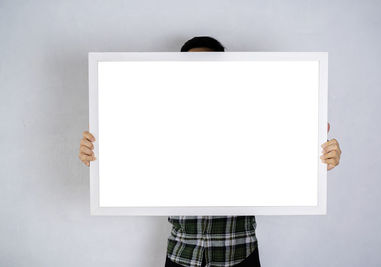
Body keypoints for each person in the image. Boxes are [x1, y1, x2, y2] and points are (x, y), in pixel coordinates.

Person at [78, 36, 342, 267]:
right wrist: (100, 158)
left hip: (239, 252)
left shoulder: (255, 115)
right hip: (182, 253)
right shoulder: (158, 118)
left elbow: (285, 161)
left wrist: (319, 160)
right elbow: (131, 167)